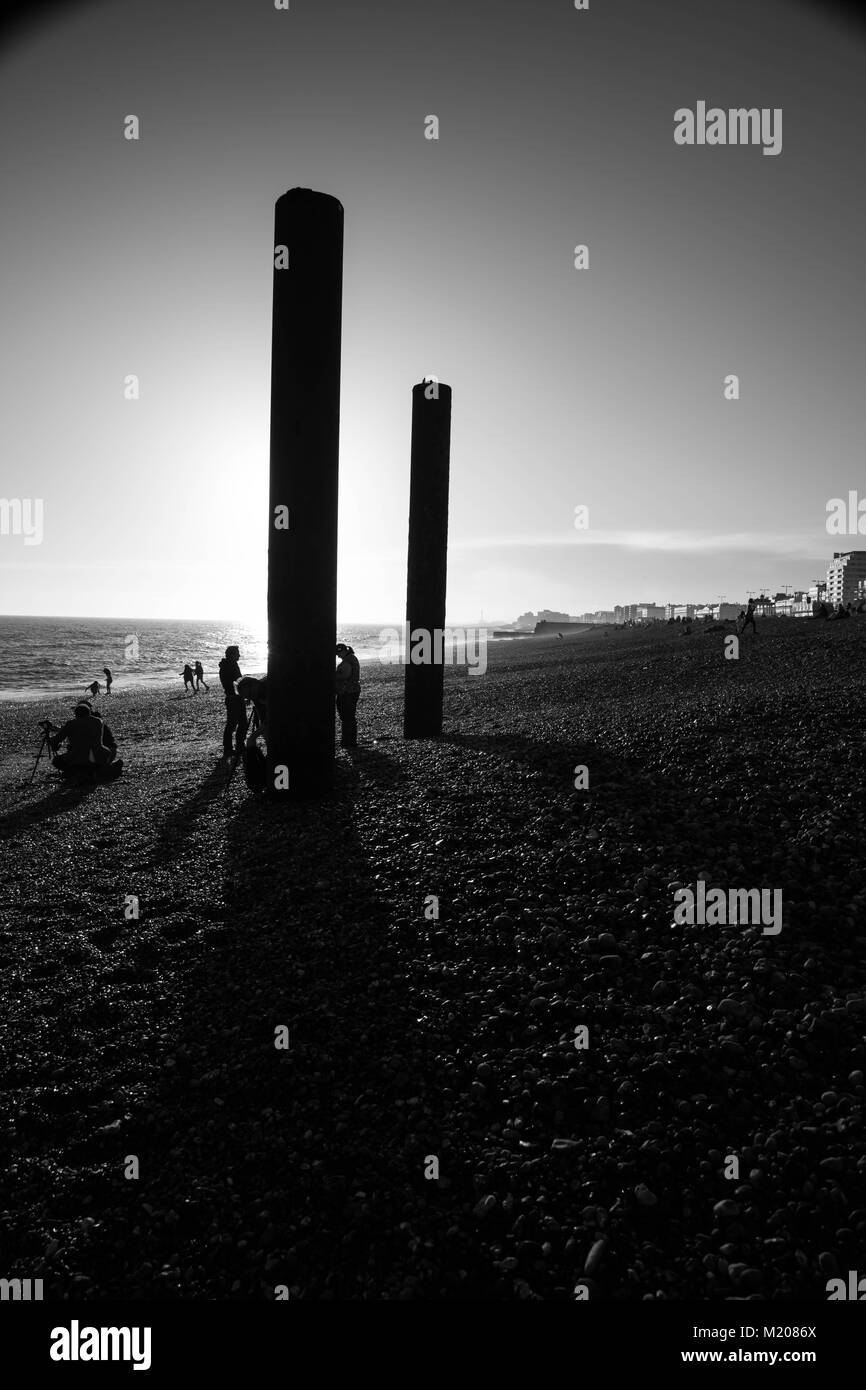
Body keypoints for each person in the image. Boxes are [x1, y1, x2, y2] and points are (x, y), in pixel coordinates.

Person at [49, 702, 122, 783]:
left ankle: (77, 773)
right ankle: (99, 771)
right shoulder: (98, 722)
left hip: (79, 758)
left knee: (56, 761)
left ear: (76, 714)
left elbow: (57, 740)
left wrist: (54, 742)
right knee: (93, 759)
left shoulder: (71, 724)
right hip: (101, 755)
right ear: (89, 712)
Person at [219, 644, 246, 760]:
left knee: (243, 723)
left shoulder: (232, 665)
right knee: (232, 724)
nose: (239, 655)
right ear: (232, 655)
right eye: (237, 653)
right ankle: (228, 748)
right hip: (233, 698)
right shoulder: (227, 667)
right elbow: (232, 683)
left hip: (237, 697)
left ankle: (239, 745)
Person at [335, 643, 361, 749]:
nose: (337, 656)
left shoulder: (348, 661)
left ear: (343, 651)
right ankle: (351, 741)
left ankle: (347, 742)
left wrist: (334, 675)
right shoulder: (351, 658)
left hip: (347, 692)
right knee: (349, 717)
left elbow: (345, 674)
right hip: (351, 691)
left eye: (338, 653)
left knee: (346, 717)